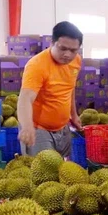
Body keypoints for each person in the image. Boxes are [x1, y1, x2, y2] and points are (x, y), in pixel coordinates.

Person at [18, 21, 83, 158]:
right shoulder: (37, 65)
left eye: (73, 50)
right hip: (39, 130)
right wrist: (27, 126)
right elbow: (25, 98)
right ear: (52, 43)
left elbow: (69, 88)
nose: (67, 55)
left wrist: (74, 115)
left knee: (62, 172)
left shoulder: (76, 61)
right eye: (62, 48)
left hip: (63, 128)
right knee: (43, 174)